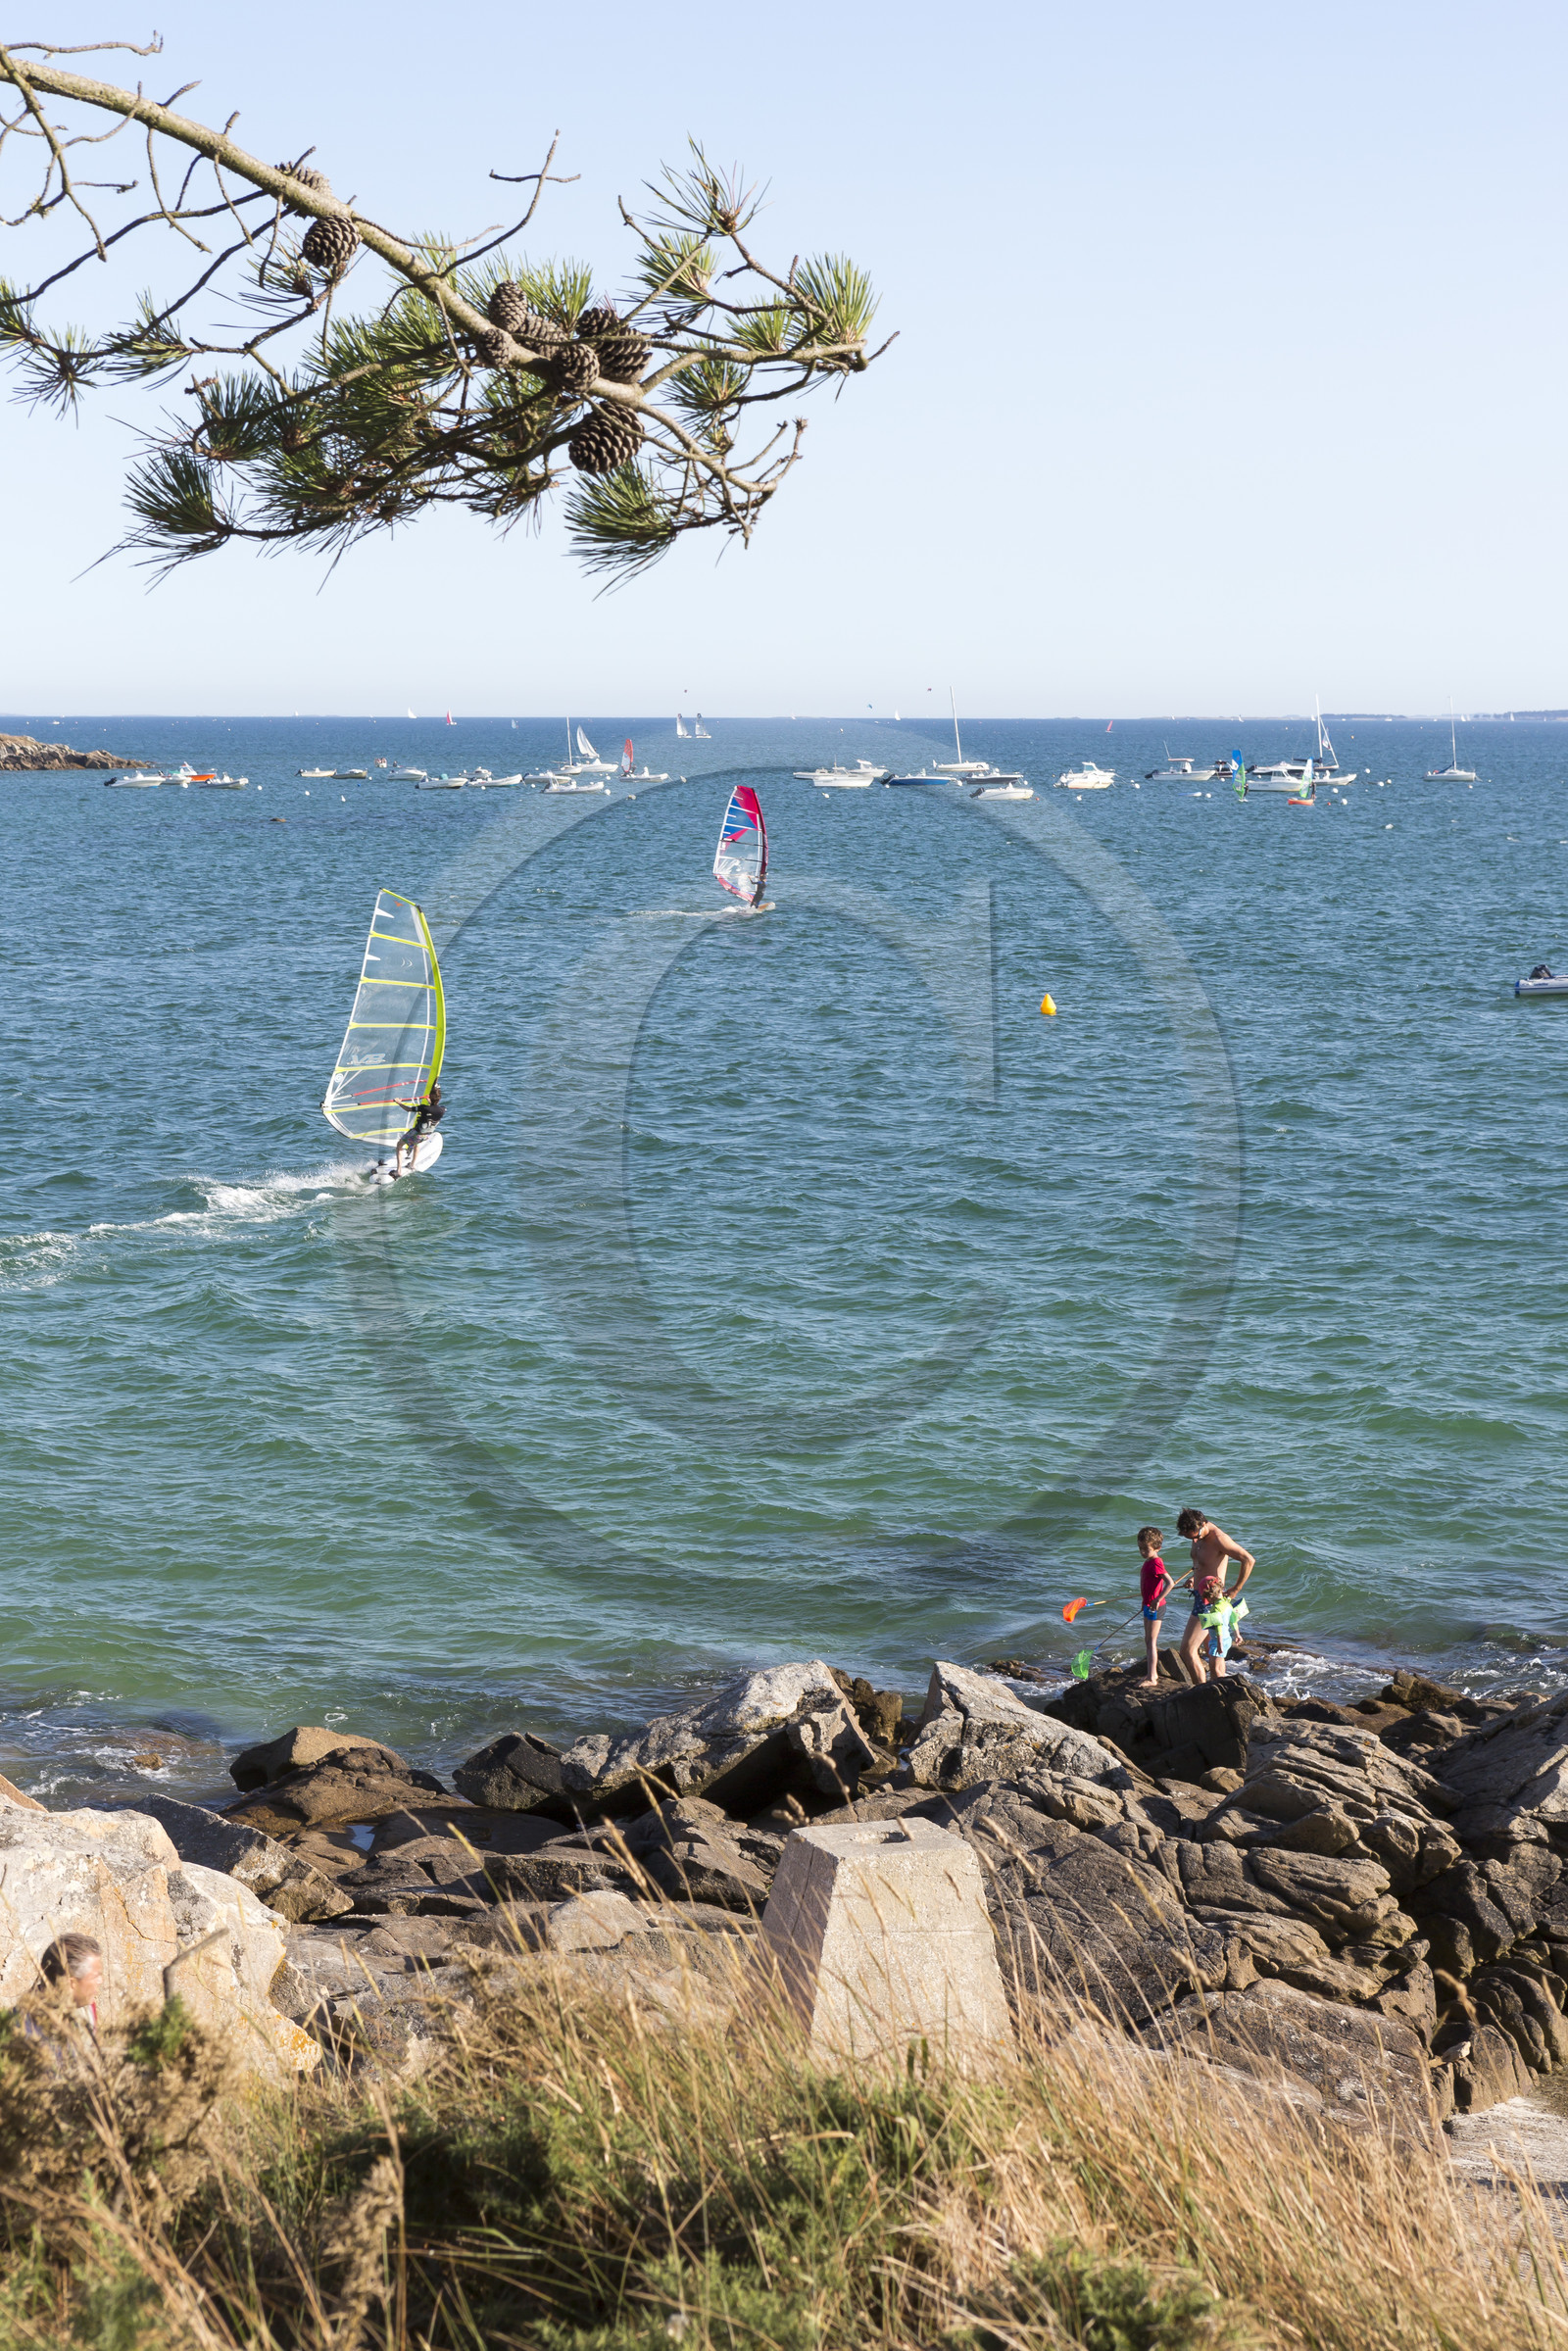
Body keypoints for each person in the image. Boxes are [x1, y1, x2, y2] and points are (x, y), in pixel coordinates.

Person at [1175, 1506, 1254, 1685]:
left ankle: (1200, 1692)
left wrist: (1235, 1589)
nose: (1194, 1540)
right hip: (1200, 1595)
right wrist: (1194, 1579)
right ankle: (1216, 1693)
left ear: (1203, 1524)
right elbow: (1202, 1563)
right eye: (1190, 1538)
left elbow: (1248, 1560)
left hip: (1210, 1603)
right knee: (1213, 1653)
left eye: (1195, 1536)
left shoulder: (1219, 1539)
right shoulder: (1198, 1533)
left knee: (1187, 1650)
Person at [38, 1933, 102, 2032]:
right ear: (72, 1983)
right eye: (95, 1976)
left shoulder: (86, 2006)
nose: (100, 1981)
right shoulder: (30, 2026)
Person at [1137, 1525, 1171, 1686]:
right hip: (1148, 1605)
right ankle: (1151, 1674)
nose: (1142, 1552)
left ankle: (1152, 1677)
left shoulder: (1156, 1562)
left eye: (1146, 1549)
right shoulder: (1149, 1561)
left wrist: (1157, 1599)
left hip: (1156, 1607)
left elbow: (1170, 1583)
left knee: (1151, 1641)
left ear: (1157, 1548)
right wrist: (1145, 1601)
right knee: (1147, 1639)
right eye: (1140, 1548)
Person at [393, 1080, 446, 1178]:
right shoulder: (443, 1109)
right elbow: (433, 1108)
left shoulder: (424, 1108)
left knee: (399, 1145)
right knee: (417, 1143)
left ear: (430, 1097)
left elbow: (408, 1109)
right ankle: (412, 1165)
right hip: (426, 1135)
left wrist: (399, 1102)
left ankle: (399, 1170)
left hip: (416, 1133)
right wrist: (432, 1097)